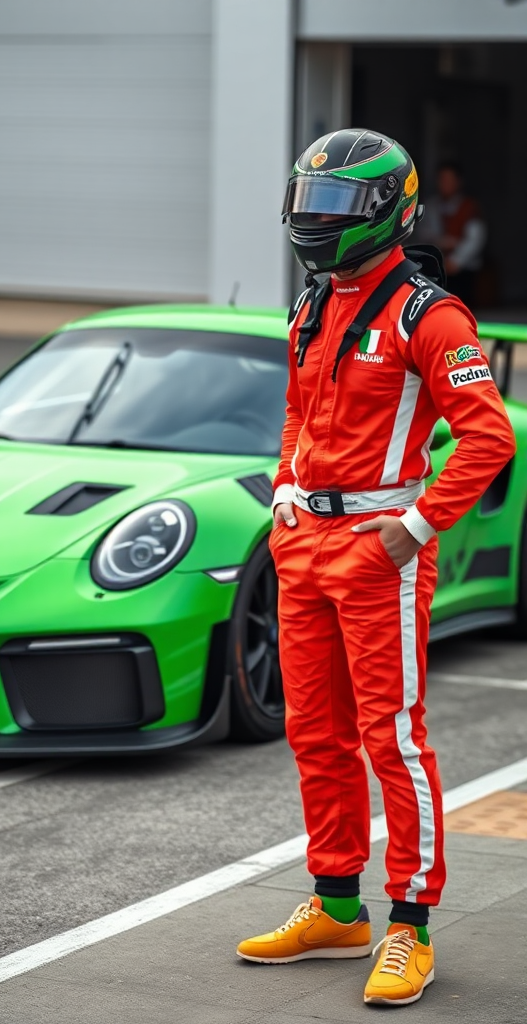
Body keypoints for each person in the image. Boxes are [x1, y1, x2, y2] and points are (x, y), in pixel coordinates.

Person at [236, 128, 516, 1006]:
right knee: (314, 735)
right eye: (307, 205)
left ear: (387, 212)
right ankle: (336, 907)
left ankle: (410, 925)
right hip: (302, 546)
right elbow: (295, 412)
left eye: (335, 209)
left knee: (391, 738)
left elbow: (489, 436)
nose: (315, 223)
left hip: (378, 552)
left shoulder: (428, 314)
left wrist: (417, 526)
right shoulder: (312, 302)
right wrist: (284, 492)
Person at [420, 160, 487, 307]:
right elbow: (423, 233)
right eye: (442, 179)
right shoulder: (431, 206)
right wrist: (441, 242)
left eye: (449, 180)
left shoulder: (469, 207)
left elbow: (475, 239)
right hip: (438, 268)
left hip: (463, 270)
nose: (445, 184)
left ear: (458, 182)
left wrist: (456, 260)